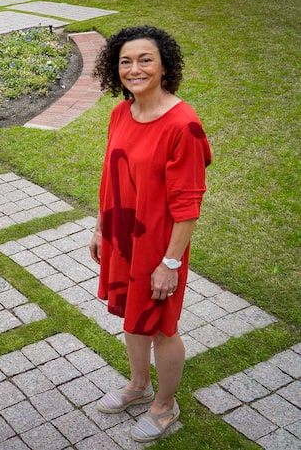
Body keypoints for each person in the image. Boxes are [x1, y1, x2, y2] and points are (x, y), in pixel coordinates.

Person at [88, 26, 211, 442]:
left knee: (162, 327)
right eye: (125, 61)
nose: (134, 68)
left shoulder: (184, 125)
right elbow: (110, 177)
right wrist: (101, 228)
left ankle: (164, 405)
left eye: (145, 60)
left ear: (163, 67)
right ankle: (137, 386)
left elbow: (188, 204)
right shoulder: (120, 113)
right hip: (124, 237)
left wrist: (170, 264)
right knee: (132, 316)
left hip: (159, 248)